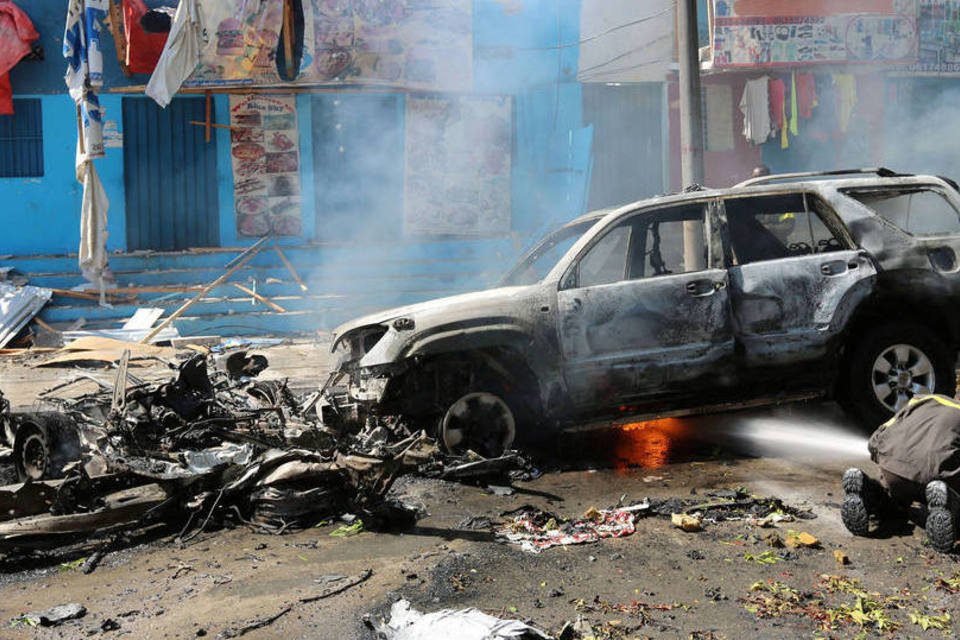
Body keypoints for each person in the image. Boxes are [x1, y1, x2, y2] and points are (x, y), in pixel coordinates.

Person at [841, 394, 960, 552]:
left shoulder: (923, 399)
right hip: (937, 475)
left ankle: (868, 492)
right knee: (947, 494)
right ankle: (949, 504)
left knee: (892, 500)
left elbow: (875, 440)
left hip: (893, 471)